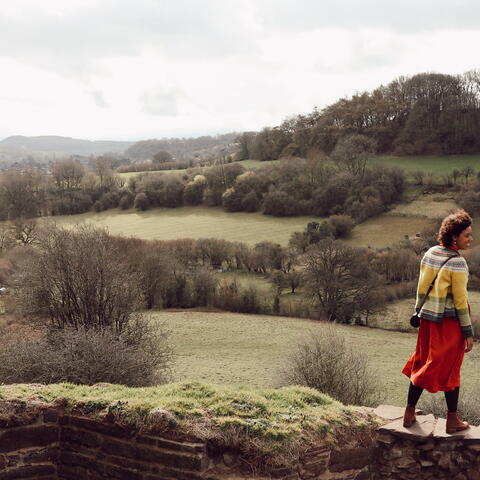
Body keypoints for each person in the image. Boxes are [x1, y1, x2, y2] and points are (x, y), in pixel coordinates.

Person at [402, 209, 474, 434]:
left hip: (427, 319)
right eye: (467, 236)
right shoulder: (458, 263)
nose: (470, 240)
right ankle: (452, 420)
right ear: (454, 237)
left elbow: (421, 287)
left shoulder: (431, 253)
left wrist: (418, 311)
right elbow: (461, 302)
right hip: (448, 323)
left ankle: (409, 412)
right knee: (450, 367)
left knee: (423, 360)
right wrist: (468, 331)